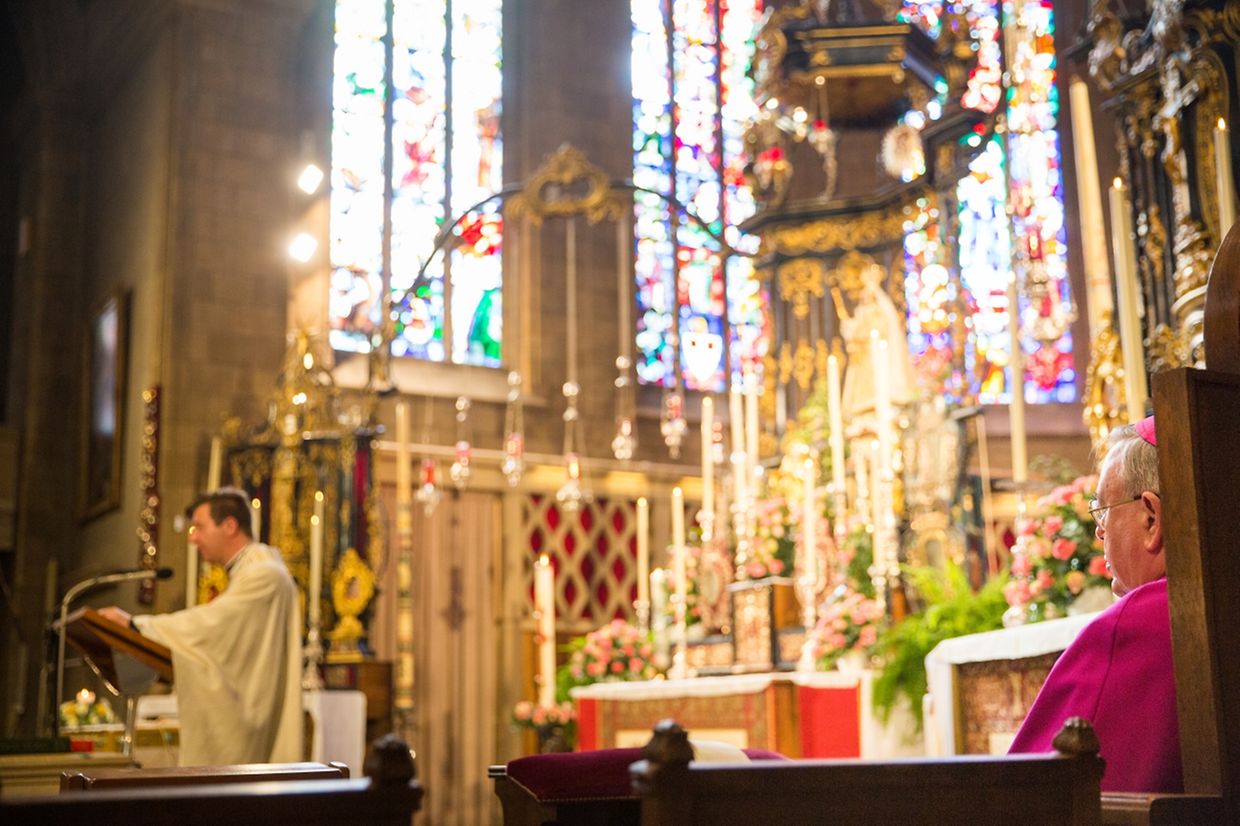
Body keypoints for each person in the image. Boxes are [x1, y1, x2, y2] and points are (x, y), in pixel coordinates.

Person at [1008, 416, 1182, 793]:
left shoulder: (1135, 625)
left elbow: (1022, 793)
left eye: (1103, 510)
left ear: (1151, 517)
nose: (1099, 531)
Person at [100, 487, 302, 766]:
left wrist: (136, 625)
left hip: (252, 725)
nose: (192, 538)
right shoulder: (253, 570)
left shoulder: (264, 575)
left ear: (230, 526)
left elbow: (211, 626)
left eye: (199, 527)